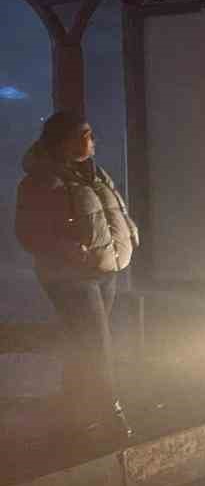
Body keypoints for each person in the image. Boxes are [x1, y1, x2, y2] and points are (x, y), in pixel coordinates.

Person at [14, 111, 139, 440]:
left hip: (103, 271)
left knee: (84, 342)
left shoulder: (94, 174)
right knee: (96, 344)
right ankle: (109, 411)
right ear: (65, 140)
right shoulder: (40, 181)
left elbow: (116, 210)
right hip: (69, 276)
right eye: (86, 133)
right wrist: (71, 251)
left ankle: (74, 411)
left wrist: (130, 232)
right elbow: (29, 233)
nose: (93, 139)